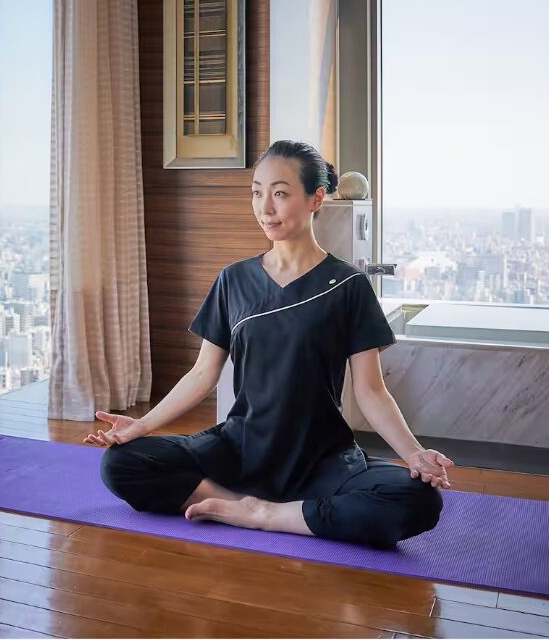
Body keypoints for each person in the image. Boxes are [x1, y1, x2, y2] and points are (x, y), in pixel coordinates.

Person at [88, 140, 452, 548]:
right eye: (257, 192)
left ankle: (266, 514)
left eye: (280, 193)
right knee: (120, 464)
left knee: (418, 500)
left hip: (321, 455)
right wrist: (141, 425)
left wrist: (414, 453)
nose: (265, 207)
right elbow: (202, 373)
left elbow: (370, 390)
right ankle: (234, 503)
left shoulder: (350, 286)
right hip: (240, 446)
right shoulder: (234, 280)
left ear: (316, 199)